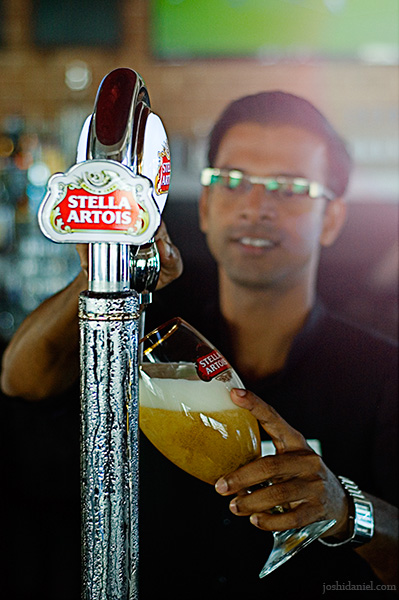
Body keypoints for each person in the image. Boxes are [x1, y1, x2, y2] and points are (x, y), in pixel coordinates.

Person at [1, 91, 397, 599]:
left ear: (334, 218)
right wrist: (110, 272)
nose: (257, 207)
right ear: (206, 206)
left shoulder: (383, 373)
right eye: (232, 182)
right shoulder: (150, 343)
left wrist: (347, 512)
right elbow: (22, 380)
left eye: (291, 188)